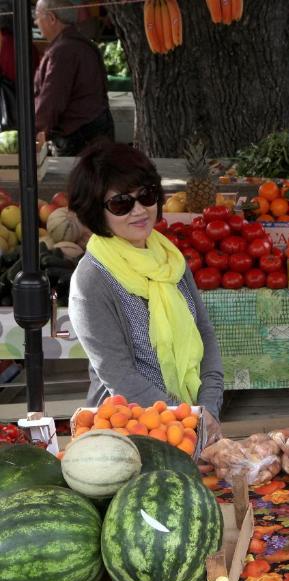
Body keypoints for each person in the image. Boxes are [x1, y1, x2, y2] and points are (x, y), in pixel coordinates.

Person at [67, 143, 223, 440]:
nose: (139, 211)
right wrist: (188, 418)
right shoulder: (91, 281)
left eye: (146, 196)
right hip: (128, 434)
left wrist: (210, 407)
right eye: (121, 203)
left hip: (191, 430)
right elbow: (119, 376)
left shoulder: (170, 259)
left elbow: (204, 333)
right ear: (94, 210)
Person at [33, 0, 114, 156]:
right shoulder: (80, 43)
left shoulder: (63, 51)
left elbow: (52, 100)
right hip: (92, 130)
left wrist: (34, 131)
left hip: (79, 137)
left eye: (37, 17)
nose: (36, 23)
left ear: (51, 18)